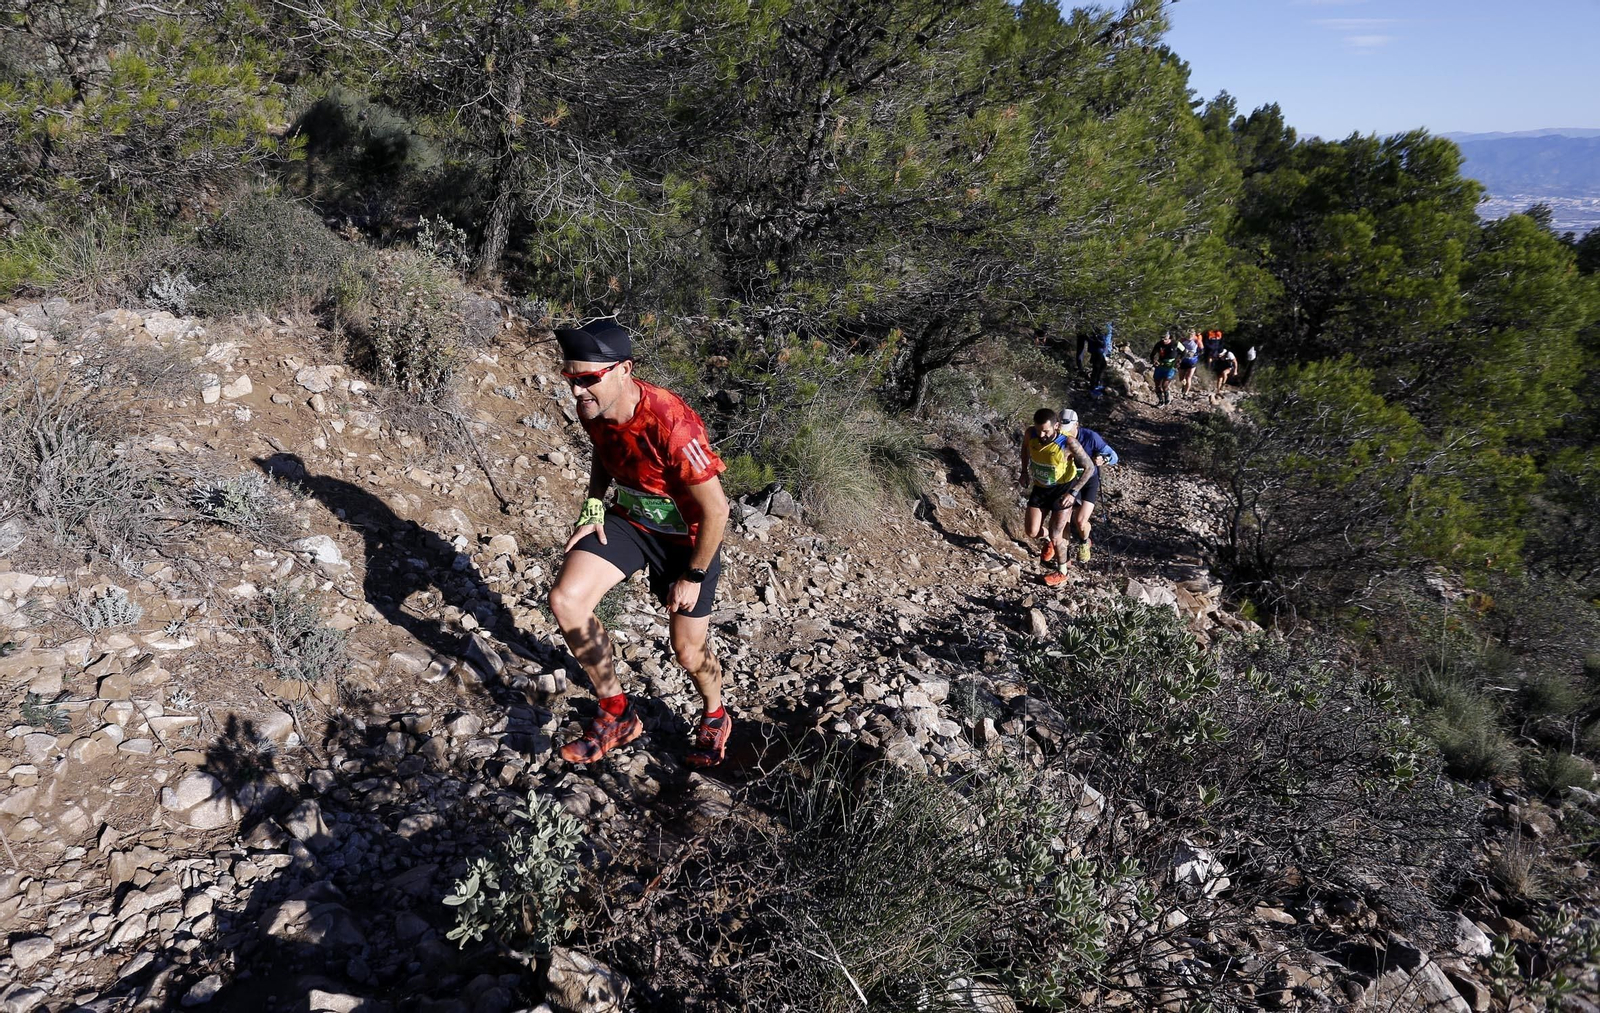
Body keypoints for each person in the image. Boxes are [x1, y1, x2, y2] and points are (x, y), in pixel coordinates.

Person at [547, 318, 733, 767]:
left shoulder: (672, 423)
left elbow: (717, 510)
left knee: (688, 651)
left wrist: (694, 575)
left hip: (686, 541)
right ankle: (617, 713)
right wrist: (594, 504)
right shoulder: (592, 405)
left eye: (588, 379)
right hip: (632, 522)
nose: (577, 391)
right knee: (567, 600)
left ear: (624, 369)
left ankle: (715, 714)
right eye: (570, 378)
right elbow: (604, 450)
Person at [1020, 408, 1095, 587]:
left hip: (1063, 491)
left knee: (1057, 534)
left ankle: (1062, 571)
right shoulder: (1031, 434)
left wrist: (1073, 492)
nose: (1042, 435)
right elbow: (1025, 449)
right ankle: (1049, 540)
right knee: (1031, 532)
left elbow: (1090, 467)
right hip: (1041, 489)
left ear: (1056, 426)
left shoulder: (1068, 442)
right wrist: (1024, 471)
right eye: (1039, 430)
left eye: (1046, 431)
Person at [1057, 409, 1117, 564]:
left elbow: (1114, 457)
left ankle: (1084, 542)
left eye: (1068, 428)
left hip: (1089, 481)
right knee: (1064, 519)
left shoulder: (1091, 437)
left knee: (1080, 521)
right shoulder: (1059, 437)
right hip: (1070, 480)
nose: (1065, 432)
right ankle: (1064, 556)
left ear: (1076, 425)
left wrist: (1103, 460)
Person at [1149, 333, 1180, 406]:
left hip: (1171, 366)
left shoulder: (1176, 343)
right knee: (1157, 385)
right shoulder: (1158, 344)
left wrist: (1179, 360)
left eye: (1165, 339)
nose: (1163, 340)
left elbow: (1184, 352)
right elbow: (1152, 354)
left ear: (1169, 337)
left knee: (1164, 384)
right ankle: (1160, 401)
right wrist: (1154, 361)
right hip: (1160, 365)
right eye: (1162, 338)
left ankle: (1167, 397)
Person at [1087, 322, 1114, 397]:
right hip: (1098, 349)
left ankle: (1096, 384)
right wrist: (1103, 345)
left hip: (1099, 349)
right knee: (1096, 368)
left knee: (1102, 365)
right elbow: (1098, 338)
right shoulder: (1100, 325)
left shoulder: (1100, 324)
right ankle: (1093, 388)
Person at [1177, 330, 1202, 397]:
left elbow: (1202, 350)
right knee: (1181, 378)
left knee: (1188, 377)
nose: (1190, 336)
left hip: (1192, 361)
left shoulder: (1197, 341)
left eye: (1191, 335)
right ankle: (1184, 385)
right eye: (1188, 334)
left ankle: (1186, 393)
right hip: (1183, 361)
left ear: (1194, 335)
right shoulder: (1182, 340)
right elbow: (1177, 348)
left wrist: (1194, 354)